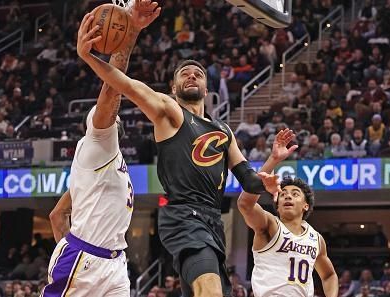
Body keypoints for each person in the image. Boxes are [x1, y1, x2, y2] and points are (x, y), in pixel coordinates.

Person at [76, 7, 297, 297]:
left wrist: (271, 166)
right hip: (182, 216)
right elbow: (124, 85)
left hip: (212, 223)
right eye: (185, 74)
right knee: (211, 290)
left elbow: (249, 180)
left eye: (198, 74)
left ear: (207, 89)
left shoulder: (223, 132)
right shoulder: (168, 111)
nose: (192, 76)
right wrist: (89, 56)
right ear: (173, 86)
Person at [41, 2, 161, 296]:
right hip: (86, 261)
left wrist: (67, 245)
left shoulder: (108, 163)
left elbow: (57, 215)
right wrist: (130, 32)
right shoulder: (96, 144)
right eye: (108, 116)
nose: (114, 116)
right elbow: (112, 90)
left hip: (116, 263)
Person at [237, 173, 338, 296]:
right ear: (277, 206)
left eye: (295, 194)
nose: (288, 196)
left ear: (305, 206)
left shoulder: (316, 239)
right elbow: (245, 205)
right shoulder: (270, 224)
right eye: (283, 194)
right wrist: (264, 177)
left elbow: (329, 275)